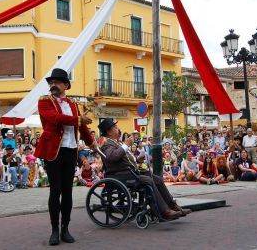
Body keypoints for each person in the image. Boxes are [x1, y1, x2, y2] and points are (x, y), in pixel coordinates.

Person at [34, 68, 94, 246]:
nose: (53, 85)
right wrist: (78, 119)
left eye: (57, 82)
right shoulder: (44, 102)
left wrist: (92, 143)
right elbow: (56, 118)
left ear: (66, 85)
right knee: (55, 190)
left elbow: (82, 128)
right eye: (51, 82)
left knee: (68, 191)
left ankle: (65, 228)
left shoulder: (74, 104)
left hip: (71, 150)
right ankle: (54, 230)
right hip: (53, 151)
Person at [99, 118, 190, 222]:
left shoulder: (115, 143)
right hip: (122, 175)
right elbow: (113, 157)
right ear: (109, 131)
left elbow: (124, 160)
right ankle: (164, 211)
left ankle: (173, 206)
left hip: (128, 172)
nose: (118, 128)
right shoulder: (107, 144)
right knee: (148, 180)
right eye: (115, 127)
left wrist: (137, 159)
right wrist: (126, 145)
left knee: (158, 179)